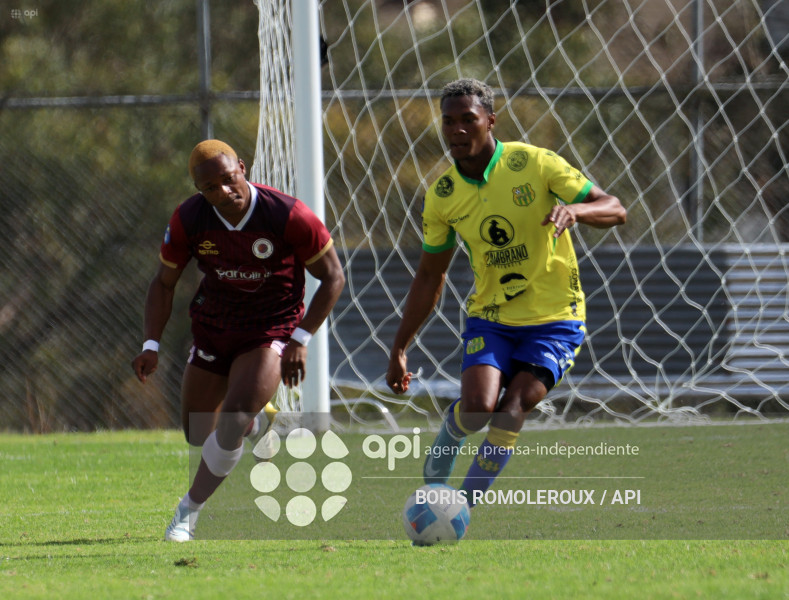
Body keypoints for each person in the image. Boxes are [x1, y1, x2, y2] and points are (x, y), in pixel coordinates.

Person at [386, 79, 626, 505]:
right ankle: (450, 436)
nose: (457, 130)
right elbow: (429, 275)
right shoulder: (442, 196)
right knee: (477, 409)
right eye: (449, 122)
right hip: (492, 317)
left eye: (468, 120)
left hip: (556, 318)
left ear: (490, 121)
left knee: (513, 406)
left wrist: (575, 210)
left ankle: (463, 506)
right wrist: (400, 347)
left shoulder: (534, 163)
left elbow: (615, 207)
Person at [132, 139, 345, 541]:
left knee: (231, 420)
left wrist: (301, 338)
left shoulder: (288, 215)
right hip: (215, 326)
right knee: (199, 433)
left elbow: (333, 277)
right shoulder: (190, 219)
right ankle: (255, 420)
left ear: (242, 168)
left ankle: (188, 512)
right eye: (210, 188)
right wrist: (150, 345)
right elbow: (163, 283)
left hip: (270, 328)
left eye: (229, 180)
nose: (223, 192)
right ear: (200, 191)